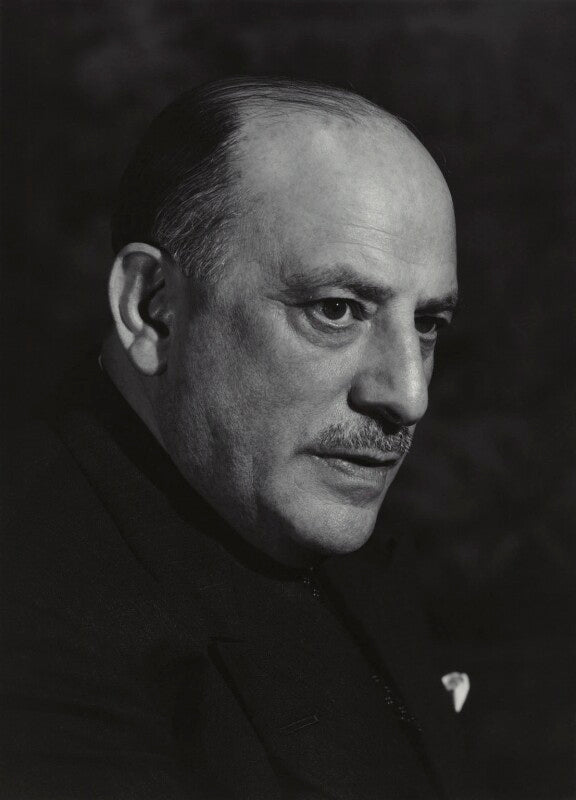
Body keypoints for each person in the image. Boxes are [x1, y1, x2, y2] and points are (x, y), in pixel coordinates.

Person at [1, 77, 474, 799]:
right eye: (337, 310)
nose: (409, 396)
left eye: (428, 324)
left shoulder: (292, 499)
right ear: (153, 309)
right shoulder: (33, 623)